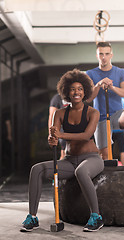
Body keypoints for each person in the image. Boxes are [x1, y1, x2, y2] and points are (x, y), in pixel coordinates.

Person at [20, 69, 104, 233]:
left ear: (85, 91)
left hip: (92, 159)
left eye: (80, 88)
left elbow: (87, 135)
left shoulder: (93, 112)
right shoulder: (59, 113)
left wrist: (61, 135)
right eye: (72, 89)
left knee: (81, 171)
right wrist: (52, 140)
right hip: (69, 161)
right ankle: (32, 217)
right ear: (66, 91)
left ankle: (96, 216)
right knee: (36, 169)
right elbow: (54, 139)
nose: (76, 92)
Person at [86, 41, 124, 167]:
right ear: (97, 55)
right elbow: (89, 98)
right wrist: (99, 84)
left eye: (106, 54)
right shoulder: (90, 74)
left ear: (111, 55)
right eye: (101, 54)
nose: (104, 57)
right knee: (105, 159)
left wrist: (112, 87)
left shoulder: (121, 72)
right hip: (100, 118)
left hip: (117, 115)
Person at [48, 93, 69, 159]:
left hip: (76, 131)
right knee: (64, 154)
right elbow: (52, 117)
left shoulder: (77, 96)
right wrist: (51, 134)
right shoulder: (57, 98)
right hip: (63, 132)